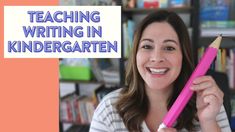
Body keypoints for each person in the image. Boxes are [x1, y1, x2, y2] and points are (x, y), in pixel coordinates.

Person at [89, 10, 231, 132]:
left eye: (169, 48)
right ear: (135, 55)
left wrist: (209, 123)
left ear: (183, 56)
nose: (156, 58)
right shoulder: (108, 110)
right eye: (147, 46)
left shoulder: (209, 105)